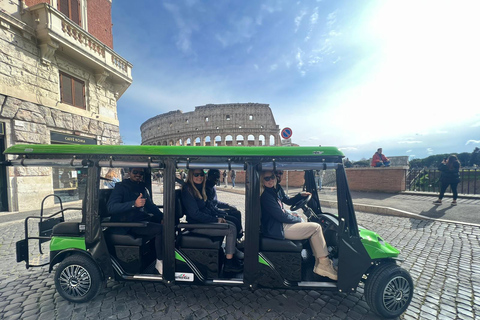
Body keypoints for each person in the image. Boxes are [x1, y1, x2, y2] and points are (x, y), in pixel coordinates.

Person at [260, 170, 337, 280]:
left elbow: (288, 200)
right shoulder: (267, 196)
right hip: (277, 228)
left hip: (279, 224)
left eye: (272, 177)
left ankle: (318, 263)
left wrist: (300, 196)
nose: (271, 180)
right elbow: (281, 216)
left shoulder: (275, 189)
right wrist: (297, 219)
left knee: (310, 227)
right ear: (262, 181)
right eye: (267, 178)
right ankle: (324, 265)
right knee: (316, 228)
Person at [181, 169, 243, 273]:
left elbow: (209, 206)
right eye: (196, 174)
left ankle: (231, 253)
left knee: (231, 223)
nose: (200, 177)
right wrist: (215, 219)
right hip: (196, 225)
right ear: (191, 175)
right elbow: (194, 214)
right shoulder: (188, 190)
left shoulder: (200, 188)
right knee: (231, 229)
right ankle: (229, 263)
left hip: (203, 222)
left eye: (202, 174)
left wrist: (221, 215)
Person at [107, 167, 164, 274]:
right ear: (129, 173)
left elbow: (151, 206)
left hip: (138, 221)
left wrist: (163, 217)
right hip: (126, 224)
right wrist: (134, 204)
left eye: (141, 173)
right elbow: (111, 207)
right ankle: (160, 261)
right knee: (160, 229)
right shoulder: (121, 187)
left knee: (165, 225)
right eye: (135, 172)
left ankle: (156, 256)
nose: (138, 174)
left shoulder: (142, 188)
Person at [206, 169, 244, 240]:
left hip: (215, 210)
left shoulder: (212, 187)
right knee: (234, 220)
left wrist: (228, 206)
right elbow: (210, 207)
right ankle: (237, 239)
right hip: (213, 213)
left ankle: (238, 237)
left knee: (236, 212)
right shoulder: (206, 188)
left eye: (217, 178)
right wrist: (222, 212)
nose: (216, 180)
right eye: (214, 178)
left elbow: (216, 202)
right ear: (209, 177)